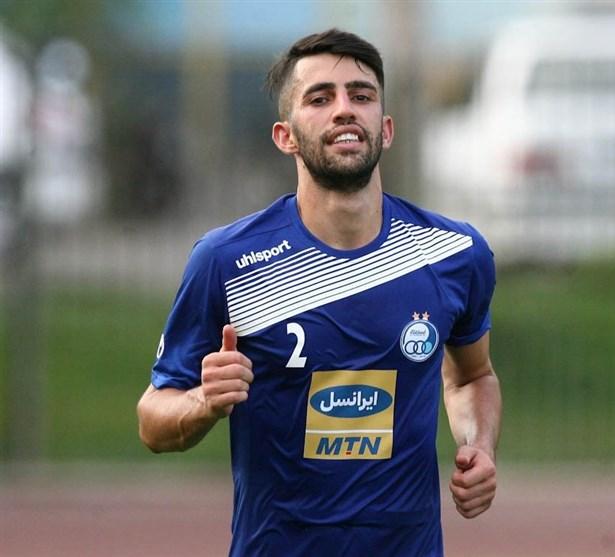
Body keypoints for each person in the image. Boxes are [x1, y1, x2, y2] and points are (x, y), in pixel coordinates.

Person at [137, 28, 501, 556]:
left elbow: (471, 377)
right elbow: (153, 420)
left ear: (386, 128)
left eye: (361, 95)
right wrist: (203, 402)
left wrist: (479, 446)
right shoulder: (226, 261)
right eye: (320, 98)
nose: (344, 110)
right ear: (285, 136)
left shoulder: (454, 254)